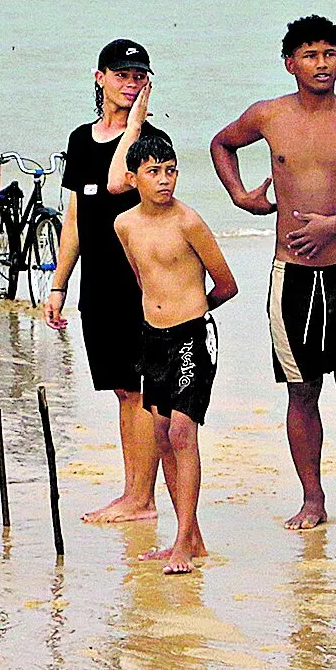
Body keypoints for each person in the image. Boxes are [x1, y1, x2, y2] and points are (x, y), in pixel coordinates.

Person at [211, 14, 336, 530]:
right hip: (290, 274)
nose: (323, 64)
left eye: (331, 53)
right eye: (312, 55)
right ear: (290, 63)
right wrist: (241, 195)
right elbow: (221, 144)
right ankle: (313, 497)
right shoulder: (268, 116)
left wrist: (332, 226)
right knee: (302, 389)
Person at [43, 39, 169, 525]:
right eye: (121, 74)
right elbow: (75, 217)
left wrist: (135, 123)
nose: (130, 82)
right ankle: (134, 492)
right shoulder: (79, 140)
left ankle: (142, 499)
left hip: (140, 280)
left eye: (139, 75)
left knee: (141, 390)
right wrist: (59, 285)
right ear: (100, 77)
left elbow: (125, 187)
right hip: (97, 281)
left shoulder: (149, 142)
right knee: (122, 389)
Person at [111, 129, 239, 573]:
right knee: (162, 434)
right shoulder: (123, 224)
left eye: (170, 171)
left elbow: (227, 283)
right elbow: (143, 278)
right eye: (153, 172)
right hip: (154, 338)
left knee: (183, 432)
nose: (164, 180)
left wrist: (194, 314)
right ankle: (192, 537)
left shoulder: (189, 221)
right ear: (134, 178)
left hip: (192, 337)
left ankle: (183, 543)